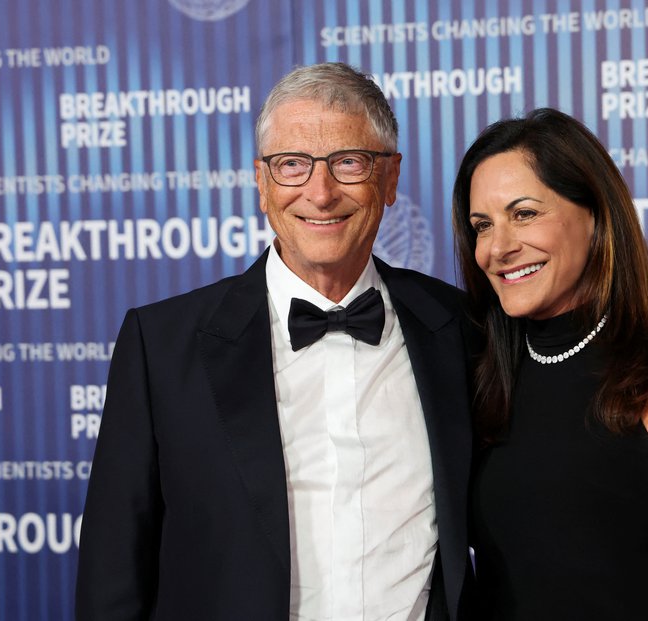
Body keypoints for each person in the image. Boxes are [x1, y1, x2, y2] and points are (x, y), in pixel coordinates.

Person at [76, 62, 473, 620]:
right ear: (261, 184)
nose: (321, 192)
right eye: (292, 165)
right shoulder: (161, 346)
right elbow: (112, 575)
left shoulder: (458, 328)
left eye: (348, 162)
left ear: (389, 180)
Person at [452, 108, 648, 620]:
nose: (499, 247)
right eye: (481, 226)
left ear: (596, 214)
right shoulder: (479, 376)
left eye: (525, 213)